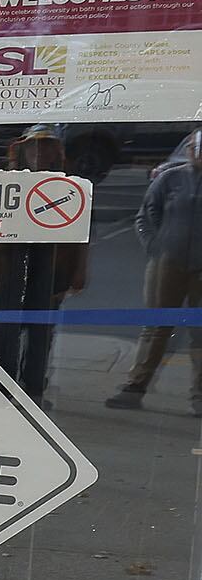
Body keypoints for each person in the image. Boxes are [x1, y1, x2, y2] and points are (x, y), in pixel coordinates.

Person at [0, 126, 86, 403]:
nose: (39, 152)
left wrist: (80, 270)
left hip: (53, 263)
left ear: (55, 150)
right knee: (7, 329)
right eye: (34, 145)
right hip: (9, 262)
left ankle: (34, 389)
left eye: (46, 145)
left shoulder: (67, 184)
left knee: (42, 329)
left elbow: (83, 232)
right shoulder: (4, 182)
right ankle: (3, 388)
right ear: (21, 149)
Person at [107, 128, 201, 412]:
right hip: (167, 263)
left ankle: (200, 396)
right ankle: (136, 386)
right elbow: (147, 214)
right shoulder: (170, 178)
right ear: (190, 151)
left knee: (200, 332)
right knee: (157, 326)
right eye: (196, 150)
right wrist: (155, 247)